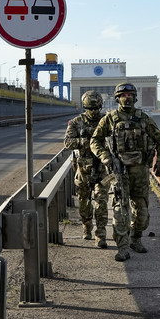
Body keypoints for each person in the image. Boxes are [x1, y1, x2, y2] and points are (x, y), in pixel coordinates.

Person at [90, 82, 160, 261]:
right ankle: (122, 247)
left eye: (130, 95)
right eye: (123, 95)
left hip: (140, 172)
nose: (127, 98)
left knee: (142, 213)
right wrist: (105, 157)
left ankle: (136, 239)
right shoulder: (110, 119)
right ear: (118, 98)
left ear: (135, 97)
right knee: (120, 211)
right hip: (120, 172)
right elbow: (95, 140)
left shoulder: (144, 118)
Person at [64, 90, 110, 248]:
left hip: (102, 168)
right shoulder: (76, 122)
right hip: (83, 169)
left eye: (96, 108)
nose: (93, 112)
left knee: (101, 201)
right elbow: (67, 143)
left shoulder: (106, 121)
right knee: (84, 201)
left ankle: (101, 234)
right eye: (90, 109)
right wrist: (84, 142)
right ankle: (87, 226)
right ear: (85, 107)